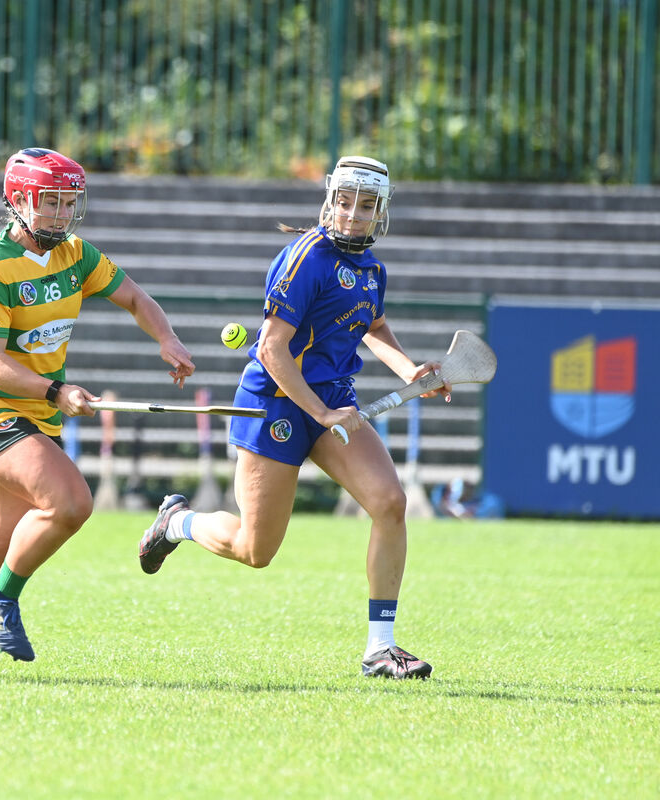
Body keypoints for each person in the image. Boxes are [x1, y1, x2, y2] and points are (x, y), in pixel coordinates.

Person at [137, 156, 450, 680]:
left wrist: (412, 370)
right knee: (254, 551)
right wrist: (322, 412)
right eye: (346, 201)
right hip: (277, 405)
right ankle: (178, 523)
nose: (353, 214)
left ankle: (381, 647)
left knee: (390, 503)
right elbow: (271, 350)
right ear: (330, 200)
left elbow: (374, 327)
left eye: (367, 205)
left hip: (332, 404)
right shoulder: (305, 258)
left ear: (381, 212)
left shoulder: (372, 268)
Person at [0, 147, 196, 675]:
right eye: (51, 203)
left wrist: (167, 338)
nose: (63, 215)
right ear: (18, 202)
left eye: (70, 203)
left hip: (34, 410)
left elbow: (134, 297)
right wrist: (56, 393)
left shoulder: (76, 254)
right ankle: (0, 598)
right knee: (71, 503)